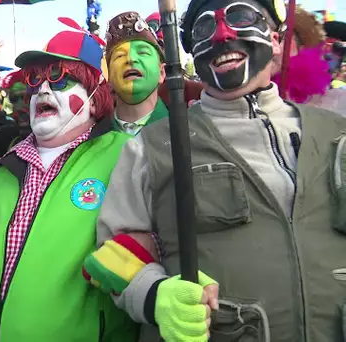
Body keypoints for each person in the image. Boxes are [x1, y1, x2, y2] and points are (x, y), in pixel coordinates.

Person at [89, 0, 346, 340]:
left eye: (240, 16)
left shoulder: (336, 133)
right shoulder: (153, 146)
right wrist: (153, 295)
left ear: (275, 39)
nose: (223, 35)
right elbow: (115, 249)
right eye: (204, 28)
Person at [0, 19, 139, 341]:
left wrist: (135, 258)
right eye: (35, 80)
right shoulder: (4, 168)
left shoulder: (126, 156)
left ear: (94, 96)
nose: (43, 89)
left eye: (60, 80)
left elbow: (157, 249)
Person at [105, 12, 169, 135]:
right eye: (119, 56)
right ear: (110, 77)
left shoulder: (185, 131)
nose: (131, 59)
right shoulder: (92, 138)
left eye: (143, 53)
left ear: (162, 72)